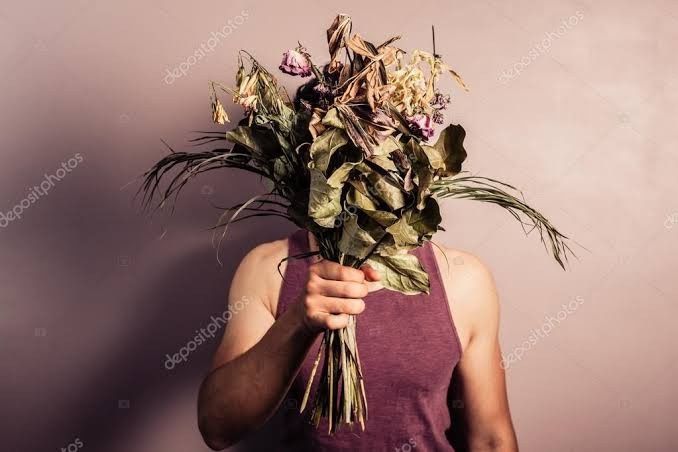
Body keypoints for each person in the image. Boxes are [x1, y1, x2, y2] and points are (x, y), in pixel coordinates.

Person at [197, 229, 518, 451]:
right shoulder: (269, 267)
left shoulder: (461, 277)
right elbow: (218, 427)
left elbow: (491, 440)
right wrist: (298, 320)